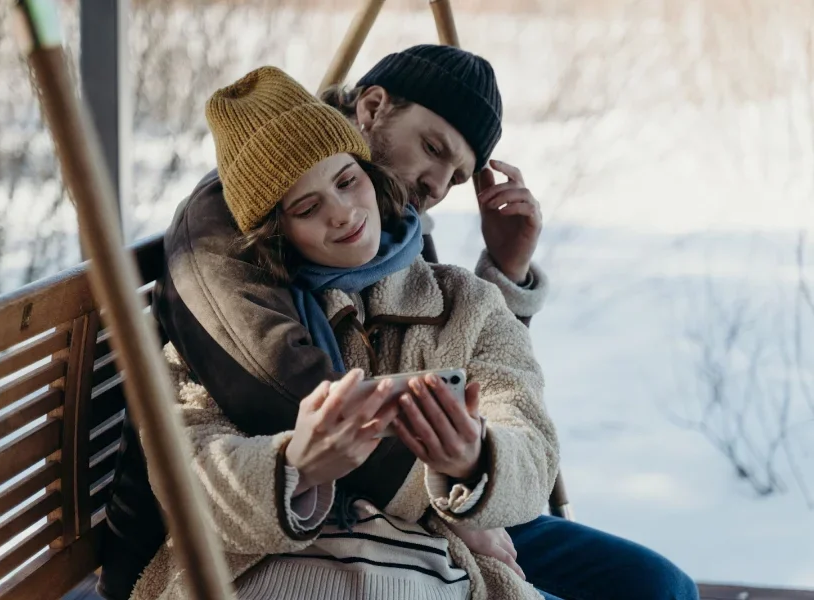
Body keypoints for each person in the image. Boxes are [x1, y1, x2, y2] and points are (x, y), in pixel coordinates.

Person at [98, 46, 698, 600]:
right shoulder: (230, 233)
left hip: (436, 511)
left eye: (458, 177)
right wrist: (313, 467)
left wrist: (476, 460)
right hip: (312, 532)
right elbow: (248, 405)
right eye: (434, 150)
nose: (438, 185)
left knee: (660, 587)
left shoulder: (420, 256)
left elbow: (501, 389)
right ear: (373, 109)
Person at [131, 65, 558, 600]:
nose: (342, 213)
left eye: (347, 182)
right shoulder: (243, 310)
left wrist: (475, 462)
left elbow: (530, 438)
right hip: (275, 571)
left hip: (426, 565)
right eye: (307, 208)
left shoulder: (464, 303)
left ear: (370, 178)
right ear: (276, 230)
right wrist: (293, 467)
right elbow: (186, 465)